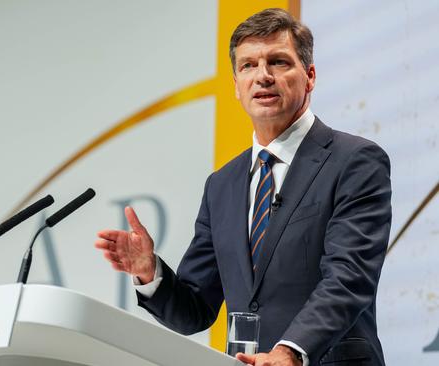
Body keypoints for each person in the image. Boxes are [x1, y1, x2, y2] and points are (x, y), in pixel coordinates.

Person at [95, 8, 391, 366]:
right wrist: (149, 272)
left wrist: (291, 350)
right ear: (236, 86)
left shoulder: (354, 161)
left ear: (310, 76)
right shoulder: (222, 185)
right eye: (248, 65)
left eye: (278, 62)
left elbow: (349, 278)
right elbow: (195, 310)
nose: (262, 76)